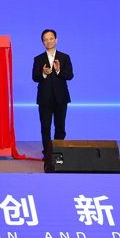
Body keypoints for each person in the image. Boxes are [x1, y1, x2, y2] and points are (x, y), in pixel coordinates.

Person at [32, 28, 73, 157]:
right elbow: (34, 77)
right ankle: (48, 153)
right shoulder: (38, 59)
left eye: (51, 38)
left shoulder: (65, 57)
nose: (48, 41)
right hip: (44, 98)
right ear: (42, 42)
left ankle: (58, 152)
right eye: (45, 39)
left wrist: (59, 70)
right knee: (45, 127)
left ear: (56, 40)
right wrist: (43, 73)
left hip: (61, 98)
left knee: (60, 127)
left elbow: (70, 76)